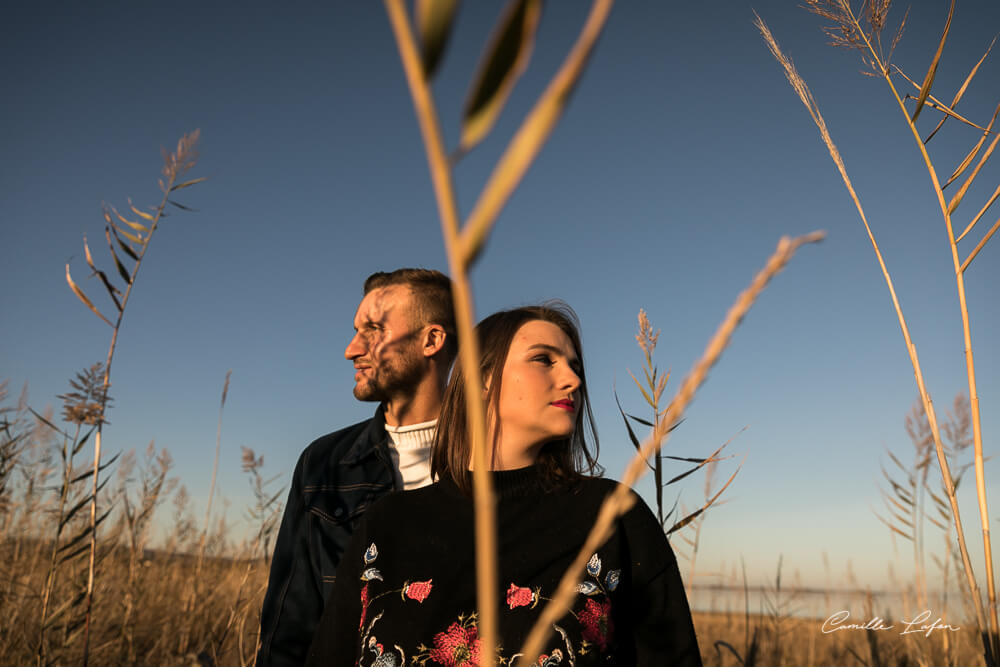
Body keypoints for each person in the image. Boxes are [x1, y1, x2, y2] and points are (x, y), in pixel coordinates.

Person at [307, 304, 702, 666]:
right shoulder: (389, 524)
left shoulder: (612, 516)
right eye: (543, 360)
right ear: (482, 378)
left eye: (576, 367)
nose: (572, 379)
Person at [256, 268, 457, 667]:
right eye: (355, 331)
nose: (351, 349)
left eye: (373, 330)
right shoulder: (326, 464)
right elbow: (289, 626)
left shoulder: (492, 459)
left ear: (431, 340)